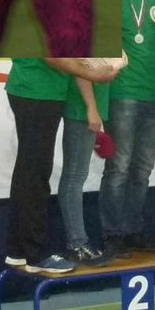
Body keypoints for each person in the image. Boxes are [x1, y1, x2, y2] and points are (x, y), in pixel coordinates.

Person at [4, 58, 118, 274]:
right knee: (35, 173)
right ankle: (35, 255)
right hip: (38, 90)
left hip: (39, 89)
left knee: (28, 170)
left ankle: (18, 250)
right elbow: (55, 56)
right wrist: (92, 74)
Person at [100, 0, 155, 260]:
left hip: (153, 94)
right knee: (120, 166)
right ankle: (113, 234)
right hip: (122, 93)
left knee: (142, 168)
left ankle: (133, 229)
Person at [58, 72, 113, 267]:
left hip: (90, 105)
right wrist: (91, 107)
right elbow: (80, 67)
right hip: (81, 107)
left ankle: (78, 243)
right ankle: (77, 244)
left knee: (76, 176)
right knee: (74, 176)